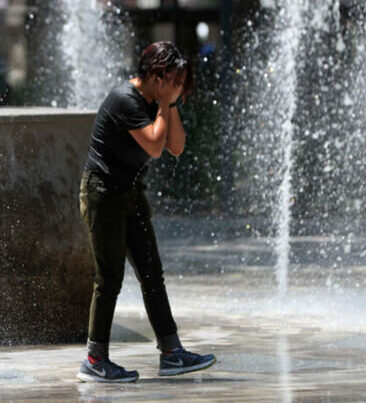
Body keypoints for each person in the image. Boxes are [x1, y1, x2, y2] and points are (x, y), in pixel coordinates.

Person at [76, 42, 216, 383]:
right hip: (102, 194)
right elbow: (154, 146)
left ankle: (171, 352)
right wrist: (166, 104)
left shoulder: (159, 101)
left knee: (153, 274)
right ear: (157, 75)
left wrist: (170, 103)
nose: (180, 87)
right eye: (176, 79)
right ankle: (95, 359)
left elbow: (176, 146)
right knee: (109, 279)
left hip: (130, 194)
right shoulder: (125, 99)